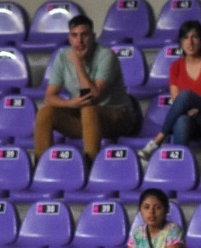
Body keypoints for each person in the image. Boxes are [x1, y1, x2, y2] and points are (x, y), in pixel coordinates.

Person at [33, 14, 142, 165]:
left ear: (93, 37)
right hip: (86, 119)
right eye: (74, 36)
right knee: (45, 113)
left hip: (119, 116)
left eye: (84, 35)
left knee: (88, 109)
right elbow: (49, 97)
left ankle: (91, 166)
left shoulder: (106, 55)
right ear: (69, 38)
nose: (79, 41)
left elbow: (94, 95)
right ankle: (41, 166)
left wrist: (78, 64)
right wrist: (70, 104)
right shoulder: (62, 57)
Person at [137, 20, 201, 164]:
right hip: (193, 120)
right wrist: (190, 108)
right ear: (180, 42)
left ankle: (157, 140)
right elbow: (178, 103)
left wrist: (199, 104)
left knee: (187, 96)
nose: (190, 42)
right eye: (185, 38)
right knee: (181, 120)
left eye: (194, 37)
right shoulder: (175, 67)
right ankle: (179, 167)